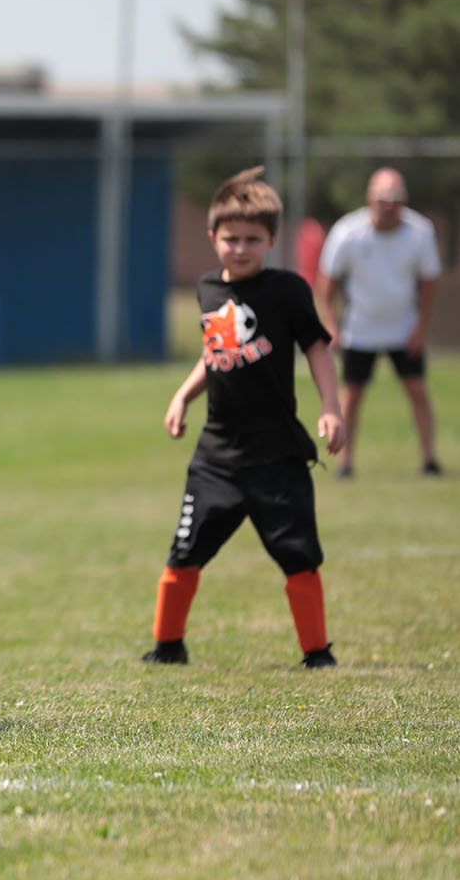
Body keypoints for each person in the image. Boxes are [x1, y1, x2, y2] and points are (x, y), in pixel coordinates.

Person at [142, 166, 345, 670]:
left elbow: (318, 348)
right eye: (231, 238)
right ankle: (168, 646)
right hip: (216, 457)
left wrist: (332, 407)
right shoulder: (209, 289)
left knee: (298, 554)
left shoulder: (288, 291)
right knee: (184, 552)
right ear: (212, 237)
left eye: (253, 239)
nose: (240, 247)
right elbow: (216, 352)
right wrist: (182, 396)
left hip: (277, 455)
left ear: (272, 240)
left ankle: (317, 654)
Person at [314, 167, 443, 478]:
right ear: (370, 198)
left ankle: (429, 459)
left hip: (403, 325)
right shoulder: (348, 232)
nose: (390, 205)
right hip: (361, 327)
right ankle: (344, 462)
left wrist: (420, 328)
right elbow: (326, 282)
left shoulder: (420, 232)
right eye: (384, 198)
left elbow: (428, 283)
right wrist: (331, 325)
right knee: (352, 394)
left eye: (396, 198)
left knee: (416, 390)